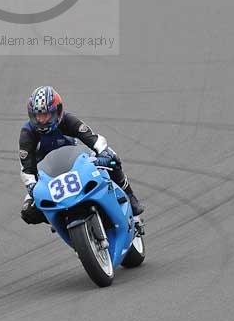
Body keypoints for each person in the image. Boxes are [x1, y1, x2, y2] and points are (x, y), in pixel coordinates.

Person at [19, 86, 145, 225]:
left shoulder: (68, 120)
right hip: (47, 178)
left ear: (58, 111)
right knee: (28, 212)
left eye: (46, 115)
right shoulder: (27, 133)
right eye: (38, 115)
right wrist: (32, 185)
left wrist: (103, 153)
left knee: (113, 157)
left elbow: (93, 139)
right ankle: (62, 221)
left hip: (75, 166)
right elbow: (26, 167)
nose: (41, 120)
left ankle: (130, 200)